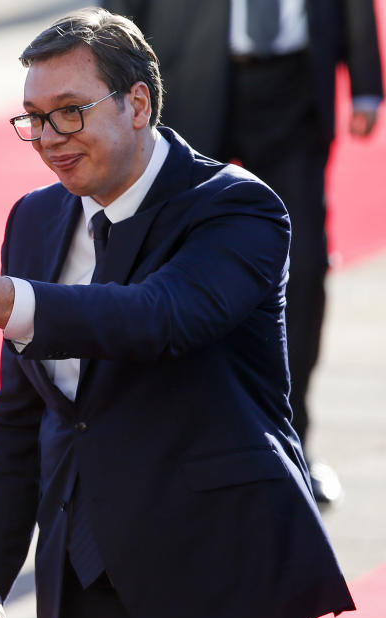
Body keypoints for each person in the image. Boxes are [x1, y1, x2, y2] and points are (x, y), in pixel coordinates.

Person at [0, 9, 353, 618]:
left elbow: (160, 318)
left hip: (224, 590)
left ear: (137, 103)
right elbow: (19, 421)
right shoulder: (36, 221)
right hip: (85, 600)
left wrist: (10, 301)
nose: (48, 139)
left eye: (69, 113)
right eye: (33, 119)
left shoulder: (237, 208)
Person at [107, 0, 384, 503]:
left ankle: (291, 441)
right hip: (188, 73)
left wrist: (366, 81)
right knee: (168, 263)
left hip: (294, 89)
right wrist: (106, 73)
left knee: (302, 272)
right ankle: (172, 442)